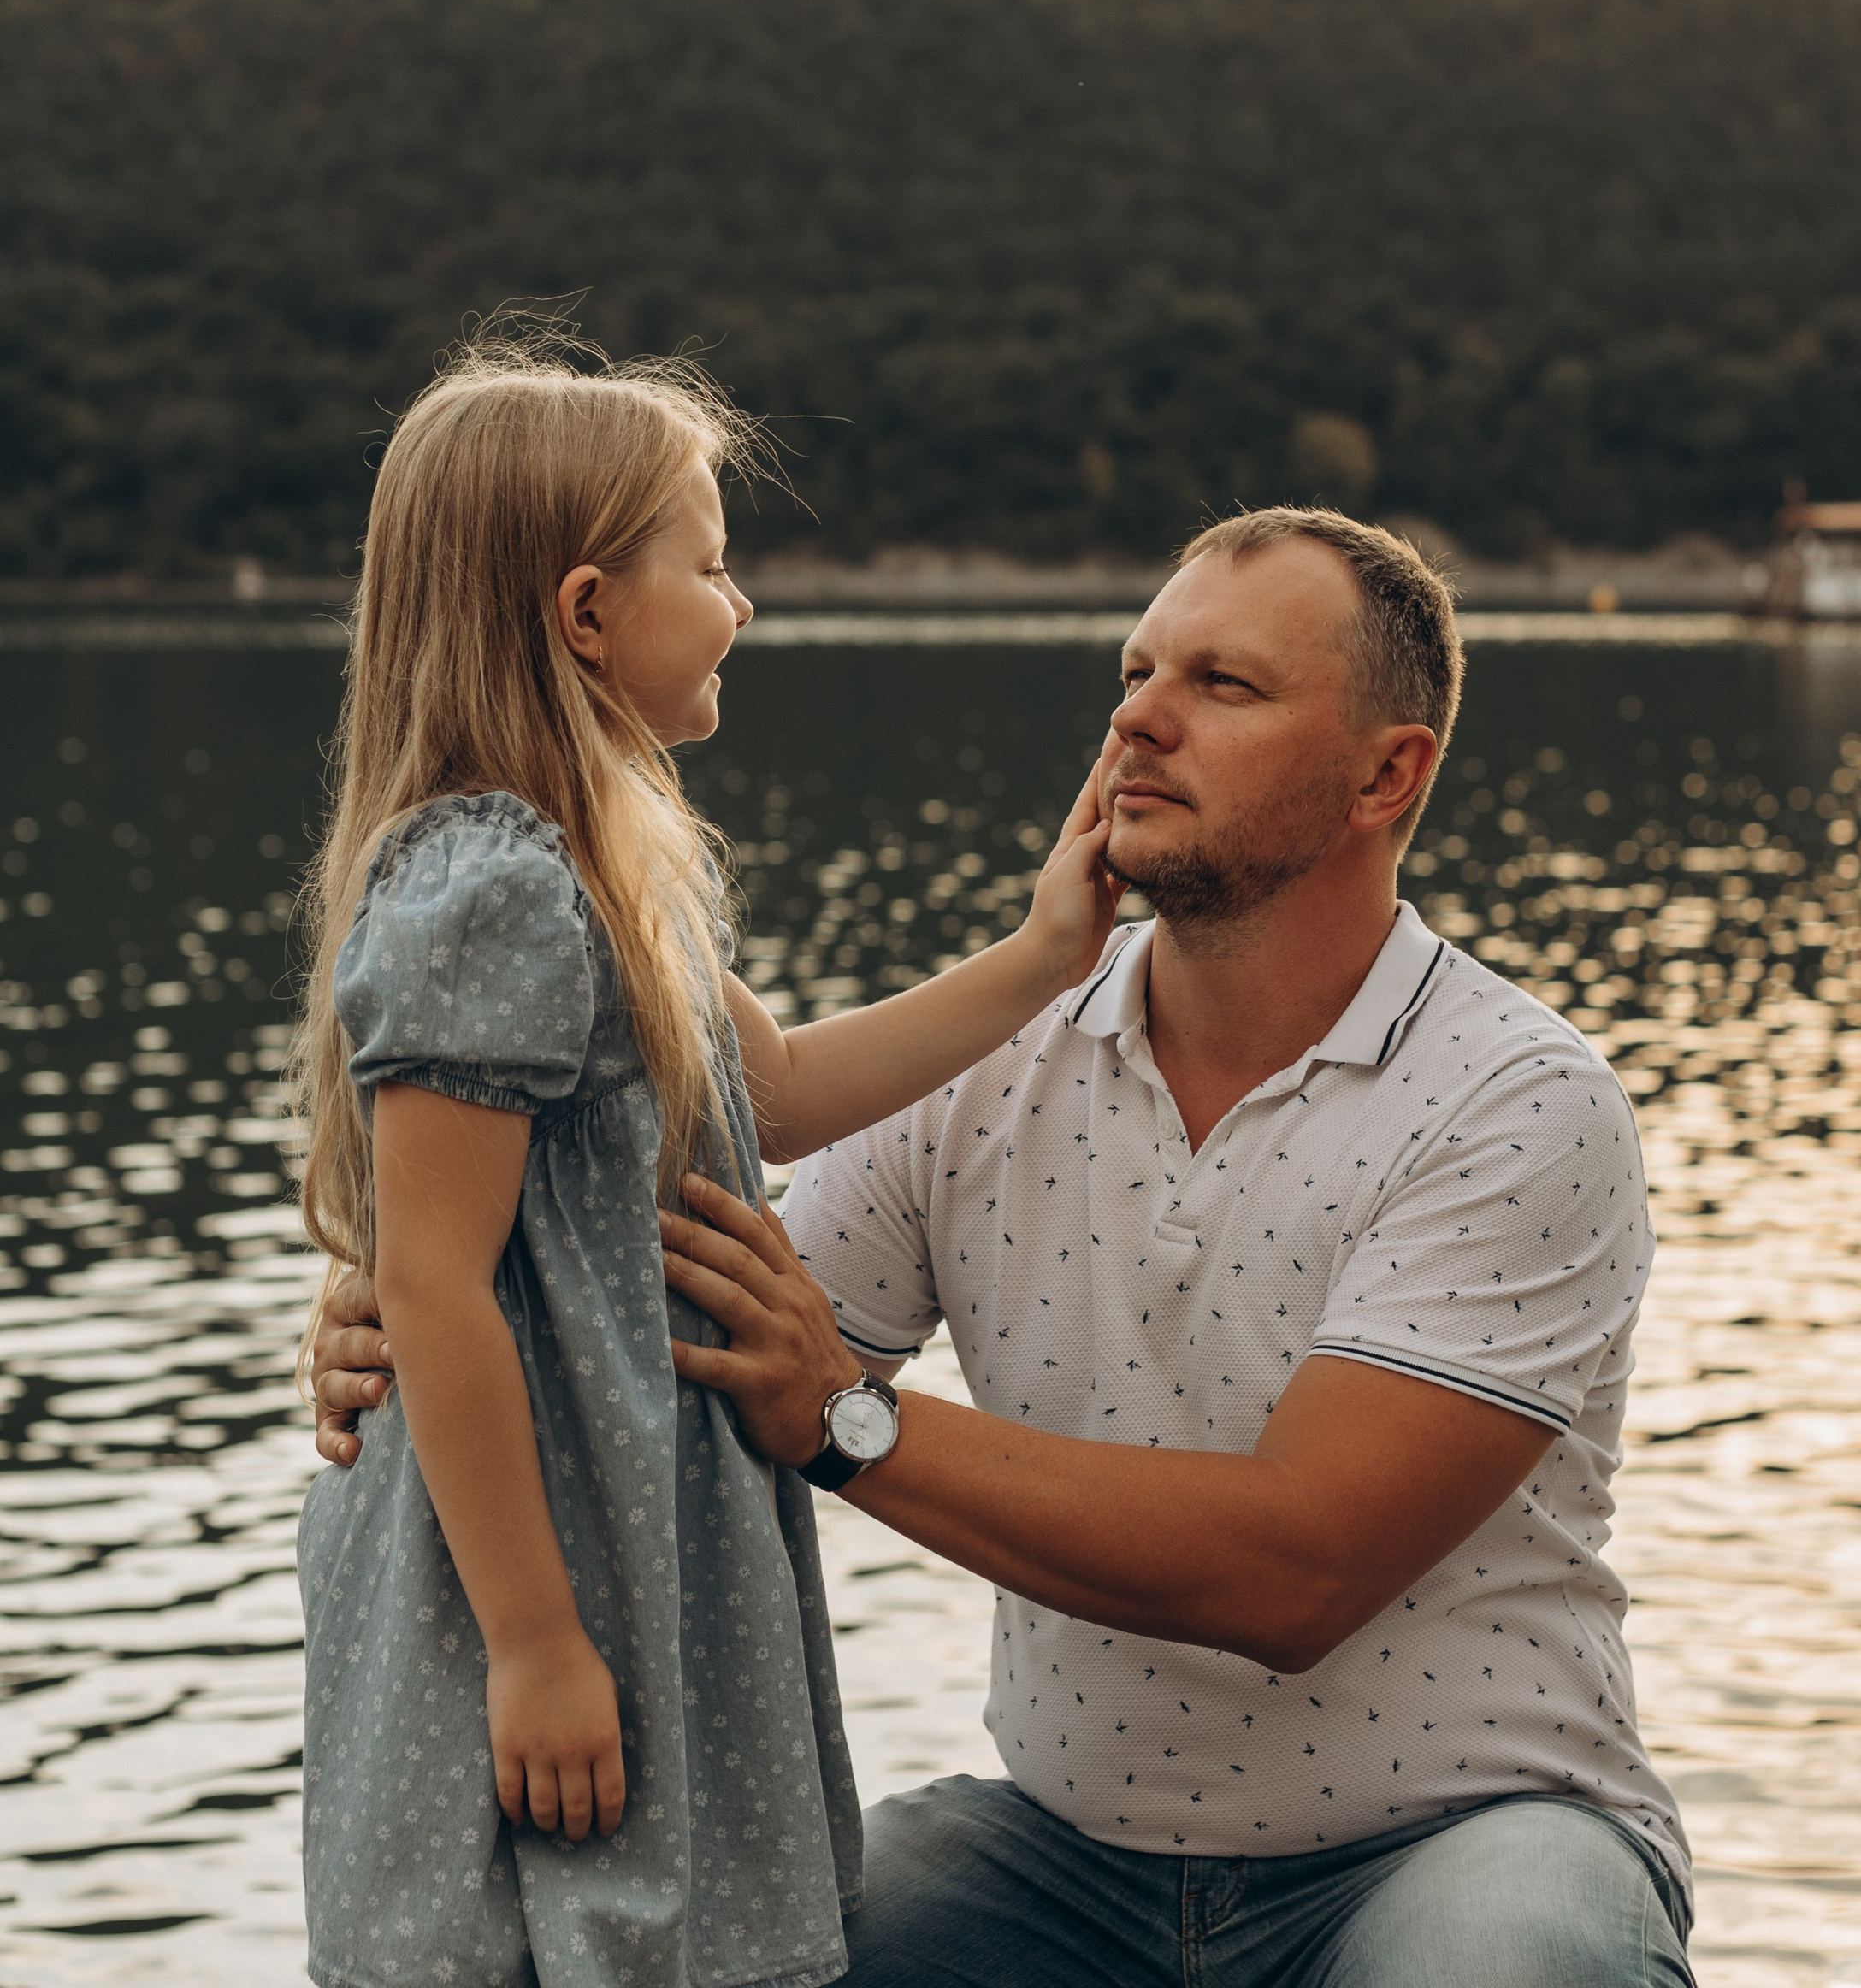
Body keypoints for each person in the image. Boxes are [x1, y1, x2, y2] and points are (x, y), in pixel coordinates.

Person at [319, 504, 1693, 1988]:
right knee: (736, 1957)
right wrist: (423, 1297)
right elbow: (695, 1334)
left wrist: (850, 1424)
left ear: (1387, 775)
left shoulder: (1515, 1100)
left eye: (1223, 686)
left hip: (1458, 1838)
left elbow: (1297, 1573)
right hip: (1059, 1864)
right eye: (1136, 672)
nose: (1138, 719)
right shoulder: (991, 1062)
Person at [292, 339, 1120, 1988]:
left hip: (635, 1524)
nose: (741, 604)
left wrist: (1046, 955)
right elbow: (436, 1285)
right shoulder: (497, 887)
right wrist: (535, 1643)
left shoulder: (617, 870)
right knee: (522, 1930)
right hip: (533, 1558)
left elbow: (784, 1092)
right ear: (589, 613)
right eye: (715, 565)